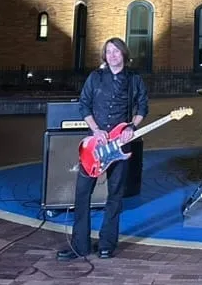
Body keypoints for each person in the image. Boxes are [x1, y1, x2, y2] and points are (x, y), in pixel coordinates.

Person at [57, 37, 150, 261]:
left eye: (116, 51)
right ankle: (81, 245)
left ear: (124, 55)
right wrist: (96, 130)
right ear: (104, 56)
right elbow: (84, 105)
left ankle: (107, 244)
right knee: (82, 194)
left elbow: (143, 106)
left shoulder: (134, 79)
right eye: (108, 51)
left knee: (115, 196)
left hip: (120, 145)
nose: (112, 55)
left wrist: (131, 126)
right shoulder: (95, 77)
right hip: (95, 145)